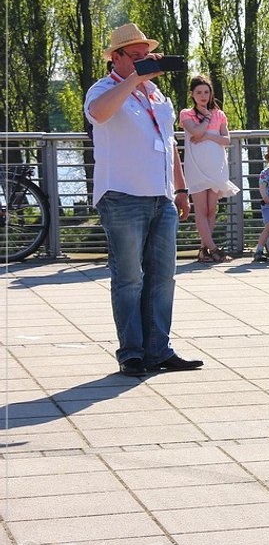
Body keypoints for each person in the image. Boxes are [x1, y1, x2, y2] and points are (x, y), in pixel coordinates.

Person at [84, 23, 204, 376]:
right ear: (116, 57)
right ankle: (132, 353)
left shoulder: (156, 95)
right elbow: (100, 115)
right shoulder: (103, 89)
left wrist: (180, 190)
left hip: (161, 197)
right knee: (129, 278)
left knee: (163, 277)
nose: (143, 63)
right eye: (135, 57)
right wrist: (133, 80)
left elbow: (168, 145)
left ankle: (158, 350)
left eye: (146, 57)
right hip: (121, 196)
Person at [178, 74, 239, 263]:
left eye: (206, 91)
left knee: (212, 210)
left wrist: (207, 137)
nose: (203, 95)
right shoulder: (186, 113)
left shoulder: (219, 114)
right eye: (199, 92)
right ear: (192, 94)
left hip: (216, 167)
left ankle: (204, 250)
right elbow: (195, 132)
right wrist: (205, 118)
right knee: (201, 209)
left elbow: (226, 140)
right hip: (197, 167)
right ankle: (213, 248)